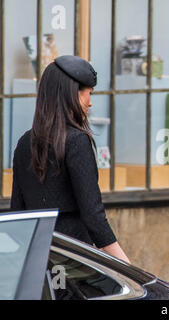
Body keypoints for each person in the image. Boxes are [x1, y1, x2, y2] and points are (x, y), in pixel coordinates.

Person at [11, 55, 130, 264]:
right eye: (88, 94)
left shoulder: (24, 143)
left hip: (37, 261)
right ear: (72, 94)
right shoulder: (77, 141)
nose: (90, 103)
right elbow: (94, 216)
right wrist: (129, 268)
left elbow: (18, 214)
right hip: (73, 258)